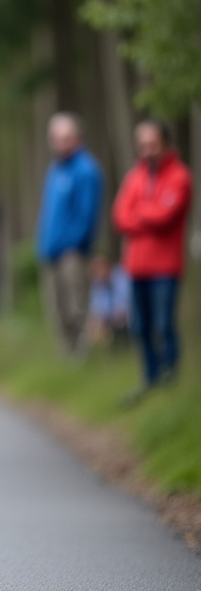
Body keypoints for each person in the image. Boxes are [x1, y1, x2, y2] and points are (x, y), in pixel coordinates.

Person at [112, 119, 192, 400]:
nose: (147, 150)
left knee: (163, 324)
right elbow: (120, 216)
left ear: (166, 144)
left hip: (165, 267)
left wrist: (139, 212)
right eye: (142, 145)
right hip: (136, 267)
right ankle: (150, 379)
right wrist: (146, 212)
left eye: (152, 144)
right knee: (140, 327)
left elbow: (165, 217)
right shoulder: (135, 177)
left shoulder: (180, 176)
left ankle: (171, 377)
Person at [36, 112, 103, 358]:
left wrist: (72, 245)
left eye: (66, 137)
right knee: (58, 311)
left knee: (76, 308)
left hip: (72, 253)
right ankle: (67, 359)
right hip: (51, 251)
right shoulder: (55, 169)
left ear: (78, 137)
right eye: (55, 137)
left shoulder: (86, 169)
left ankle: (84, 358)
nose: (60, 142)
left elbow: (86, 215)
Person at [87, 255, 131, 349]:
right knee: (93, 326)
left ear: (107, 267)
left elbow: (126, 304)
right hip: (110, 319)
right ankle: (107, 350)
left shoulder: (122, 277)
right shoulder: (97, 286)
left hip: (127, 317)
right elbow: (96, 310)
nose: (98, 275)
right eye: (95, 272)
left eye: (100, 270)